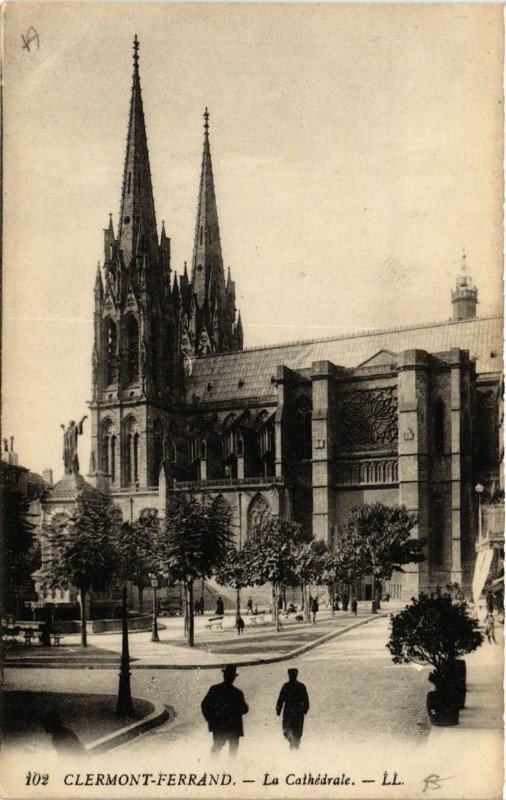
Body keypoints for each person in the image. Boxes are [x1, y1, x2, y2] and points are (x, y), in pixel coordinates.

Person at [201, 665, 249, 757]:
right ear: (233, 678)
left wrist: (209, 718)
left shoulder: (215, 689)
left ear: (224, 676)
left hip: (219, 725)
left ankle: (212, 767)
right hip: (233, 727)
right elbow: (244, 709)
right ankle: (230, 768)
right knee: (233, 751)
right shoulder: (237, 693)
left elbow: (204, 704)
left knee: (216, 748)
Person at [276, 668, 309, 750]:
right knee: (297, 727)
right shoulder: (300, 686)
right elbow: (305, 699)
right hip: (297, 710)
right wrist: (305, 708)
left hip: (289, 710)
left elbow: (281, 699)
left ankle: (293, 742)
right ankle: (295, 742)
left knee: (289, 727)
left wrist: (278, 708)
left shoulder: (286, 686)